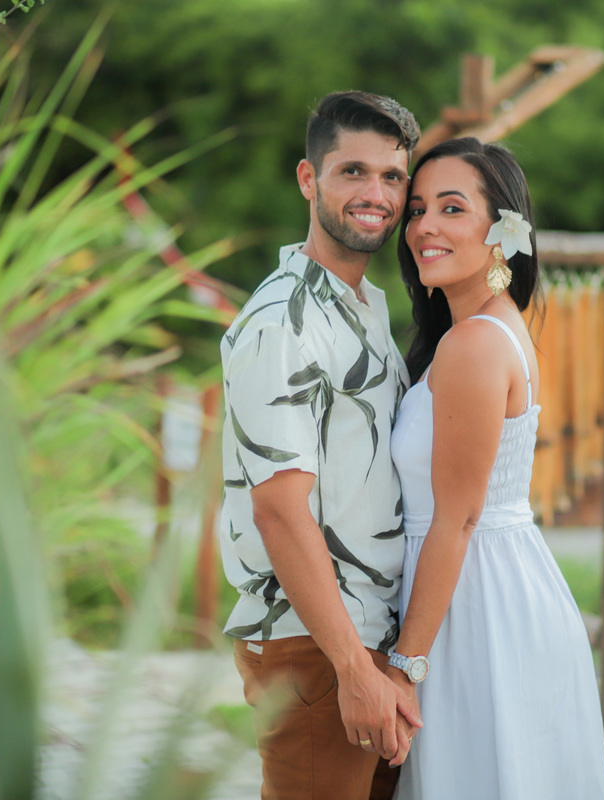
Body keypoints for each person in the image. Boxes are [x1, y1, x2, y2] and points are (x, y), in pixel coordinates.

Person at [387, 137, 604, 798]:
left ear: (502, 231)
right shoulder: (486, 328)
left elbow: (456, 520)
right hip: (486, 589)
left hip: (472, 609)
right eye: (419, 208)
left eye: (452, 209)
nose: (424, 225)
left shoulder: (476, 345)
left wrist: (405, 667)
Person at [219, 90, 423, 800]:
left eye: (392, 177)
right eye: (352, 172)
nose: (375, 194)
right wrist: (354, 669)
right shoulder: (284, 322)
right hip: (316, 644)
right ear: (309, 179)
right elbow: (280, 510)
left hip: (364, 638)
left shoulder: (363, 306)